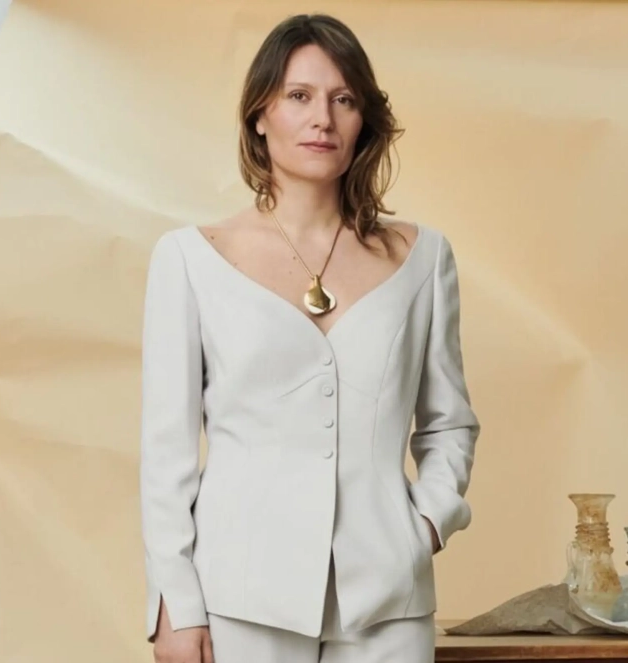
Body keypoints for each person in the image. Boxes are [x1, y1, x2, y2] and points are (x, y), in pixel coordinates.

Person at [139, 12, 481, 663]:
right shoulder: (190, 259)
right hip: (238, 598)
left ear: (363, 121)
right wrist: (175, 604)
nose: (322, 118)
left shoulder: (423, 258)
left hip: (387, 602)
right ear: (259, 115)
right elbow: (166, 453)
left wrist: (425, 524)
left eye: (343, 99)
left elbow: (450, 423)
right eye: (299, 95)